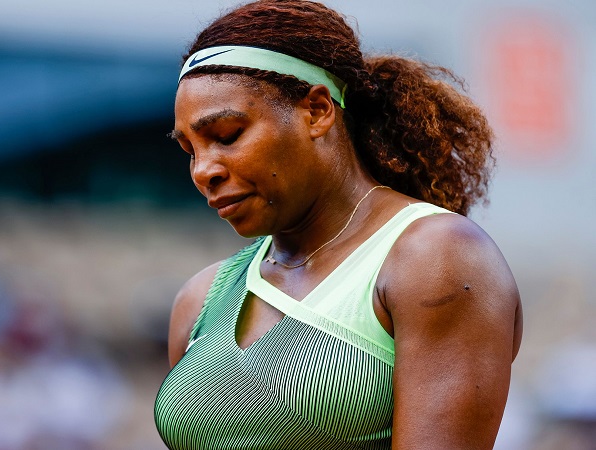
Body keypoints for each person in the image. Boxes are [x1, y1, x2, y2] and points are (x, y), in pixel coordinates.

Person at [154, 1, 523, 449]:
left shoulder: (435, 259)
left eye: (228, 136)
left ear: (317, 111)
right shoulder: (200, 299)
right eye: (190, 150)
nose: (203, 171)